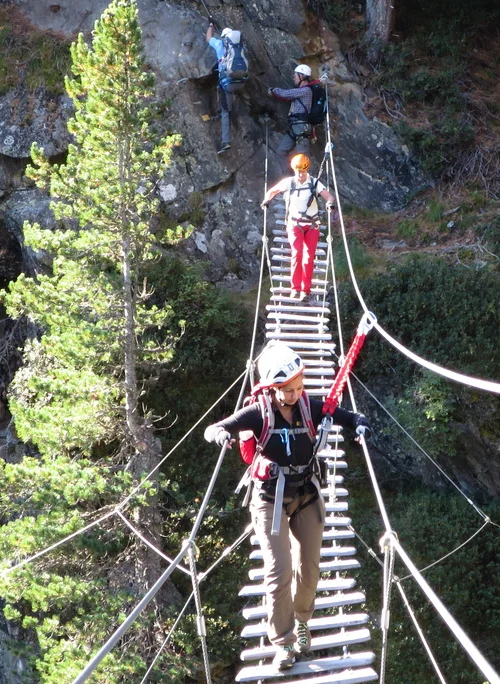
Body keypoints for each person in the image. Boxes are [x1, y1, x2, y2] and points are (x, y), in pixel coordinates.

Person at [203, 343, 370, 671]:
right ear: (270, 388)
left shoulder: (309, 406)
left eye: (298, 387)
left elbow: (347, 416)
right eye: (287, 390)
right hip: (269, 499)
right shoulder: (258, 412)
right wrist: (219, 435)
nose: (294, 394)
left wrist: (360, 425)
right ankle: (284, 642)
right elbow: (216, 426)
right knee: (278, 571)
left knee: (309, 571)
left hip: (307, 494)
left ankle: (302, 622)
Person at [260, 153, 336, 301]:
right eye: (298, 171)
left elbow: (329, 196)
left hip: (312, 224)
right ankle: (295, 288)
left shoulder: (314, 183)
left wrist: (330, 204)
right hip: (295, 224)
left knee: (308, 258)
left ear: (307, 169)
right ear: (294, 170)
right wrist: (266, 200)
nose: (300, 174)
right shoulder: (289, 182)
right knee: (297, 253)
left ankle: (305, 290)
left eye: (303, 171)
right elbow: (272, 191)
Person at [206, 22, 246, 154]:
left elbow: (208, 38)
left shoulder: (219, 44)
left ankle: (225, 142)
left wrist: (211, 26)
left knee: (225, 112)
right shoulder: (240, 47)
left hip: (228, 84)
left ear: (224, 37)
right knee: (222, 88)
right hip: (242, 81)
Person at [268, 64, 317, 158]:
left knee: (303, 156)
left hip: (302, 127)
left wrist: (274, 90)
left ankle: (308, 173)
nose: (294, 76)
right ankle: (288, 172)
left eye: (296, 74)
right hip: (295, 126)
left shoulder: (306, 90)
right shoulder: (302, 91)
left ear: (302, 76)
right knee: (281, 152)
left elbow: (286, 94)